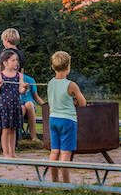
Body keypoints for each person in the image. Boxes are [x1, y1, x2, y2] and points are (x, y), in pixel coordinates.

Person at [47, 51, 86, 183]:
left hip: (53, 119)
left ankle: (54, 181)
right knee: (65, 154)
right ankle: (66, 184)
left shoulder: (50, 83)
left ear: (53, 67)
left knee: (54, 152)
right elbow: (83, 103)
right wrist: (75, 99)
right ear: (68, 67)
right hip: (68, 121)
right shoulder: (71, 85)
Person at [0, 50, 28, 158]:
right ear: (5, 63)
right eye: (13, 60)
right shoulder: (0, 76)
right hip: (5, 107)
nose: (16, 62)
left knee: (13, 129)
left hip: (15, 106)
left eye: (16, 60)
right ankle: (5, 153)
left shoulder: (19, 76)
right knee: (6, 130)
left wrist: (25, 88)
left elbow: (21, 90)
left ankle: (12, 152)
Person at [21, 73, 44, 142]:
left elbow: (36, 98)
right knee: (21, 108)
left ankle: (34, 136)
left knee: (29, 104)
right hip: (18, 108)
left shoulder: (30, 80)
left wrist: (45, 106)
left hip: (30, 110)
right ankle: (17, 135)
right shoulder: (12, 79)